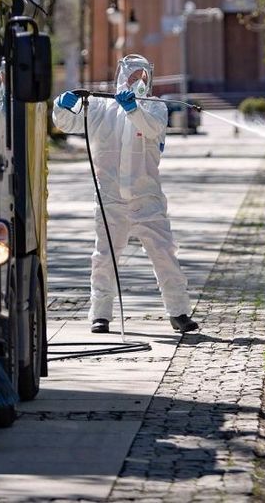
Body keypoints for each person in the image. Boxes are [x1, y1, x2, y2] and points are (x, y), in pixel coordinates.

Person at [53, 54, 199, 334]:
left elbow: (151, 128)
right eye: (133, 76)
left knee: (164, 255)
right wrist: (61, 107)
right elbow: (67, 124)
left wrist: (133, 109)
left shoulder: (155, 109)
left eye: (143, 76)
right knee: (104, 257)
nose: (138, 81)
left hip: (147, 200)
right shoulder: (99, 108)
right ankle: (101, 315)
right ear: (121, 77)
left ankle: (179, 312)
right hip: (110, 201)